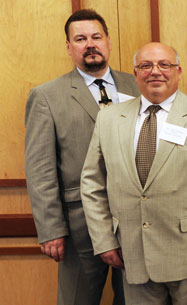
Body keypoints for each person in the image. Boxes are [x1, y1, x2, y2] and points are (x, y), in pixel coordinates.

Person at [80, 42, 187, 305]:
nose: (155, 71)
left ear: (178, 71)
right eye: (146, 65)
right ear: (135, 74)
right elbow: (92, 184)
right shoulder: (109, 118)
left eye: (164, 65)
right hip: (133, 253)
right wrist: (104, 240)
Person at [24, 9, 139, 305]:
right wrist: (50, 230)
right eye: (80, 39)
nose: (90, 44)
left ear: (108, 42)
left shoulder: (138, 87)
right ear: (68, 47)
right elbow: (40, 170)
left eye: (96, 37)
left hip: (137, 221)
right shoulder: (47, 96)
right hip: (78, 226)